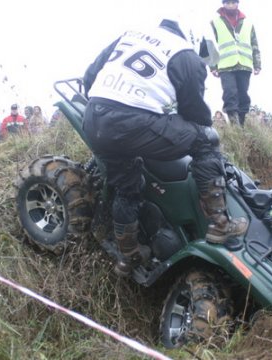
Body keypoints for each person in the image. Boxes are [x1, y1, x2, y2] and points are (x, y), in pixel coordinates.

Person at [83, 19, 248, 276]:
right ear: (193, 39)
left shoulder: (132, 32)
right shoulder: (187, 56)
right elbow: (197, 116)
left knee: (127, 188)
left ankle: (128, 257)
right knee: (206, 139)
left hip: (94, 119)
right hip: (133, 122)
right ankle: (219, 223)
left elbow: (90, 76)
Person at [210, 0, 261, 126]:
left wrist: (257, 64)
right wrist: (212, 66)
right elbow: (210, 45)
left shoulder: (248, 23)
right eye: (227, 2)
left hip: (245, 65)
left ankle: (241, 126)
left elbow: (254, 44)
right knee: (230, 95)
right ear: (223, 4)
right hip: (225, 66)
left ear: (238, 3)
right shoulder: (215, 23)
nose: (230, 5)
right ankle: (235, 127)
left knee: (243, 96)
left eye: (233, 2)